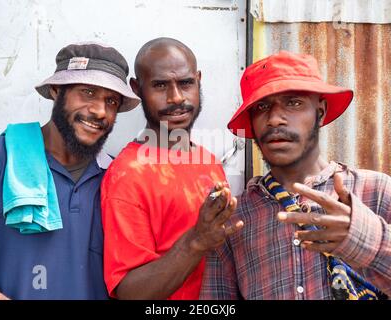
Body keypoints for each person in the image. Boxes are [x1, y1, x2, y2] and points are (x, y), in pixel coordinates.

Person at [200, 51, 391, 300]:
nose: (275, 119)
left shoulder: (376, 192)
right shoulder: (235, 218)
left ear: (320, 112)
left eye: (294, 102)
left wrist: (365, 238)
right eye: (262, 106)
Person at [0, 42, 140, 299]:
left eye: (111, 100)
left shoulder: (117, 177)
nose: (100, 111)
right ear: (56, 90)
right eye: (88, 92)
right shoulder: (0, 157)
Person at [101, 37, 244, 300]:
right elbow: (129, 292)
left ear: (198, 80)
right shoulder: (128, 175)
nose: (176, 97)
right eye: (160, 85)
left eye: (186, 83)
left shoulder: (208, 160)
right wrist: (196, 241)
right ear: (137, 88)